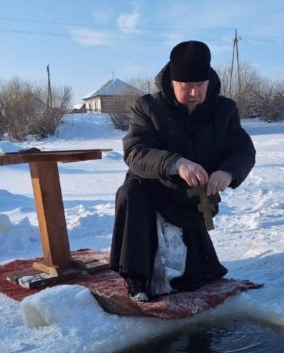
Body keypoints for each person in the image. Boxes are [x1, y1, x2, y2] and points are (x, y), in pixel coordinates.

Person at [110, 40, 256, 301]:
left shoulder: (224, 109)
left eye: (200, 85)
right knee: (130, 192)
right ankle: (136, 278)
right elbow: (135, 152)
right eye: (186, 86)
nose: (194, 93)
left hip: (193, 196)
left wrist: (227, 172)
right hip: (151, 191)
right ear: (171, 82)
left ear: (209, 81)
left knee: (195, 278)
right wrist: (176, 163)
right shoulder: (147, 107)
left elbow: (243, 150)